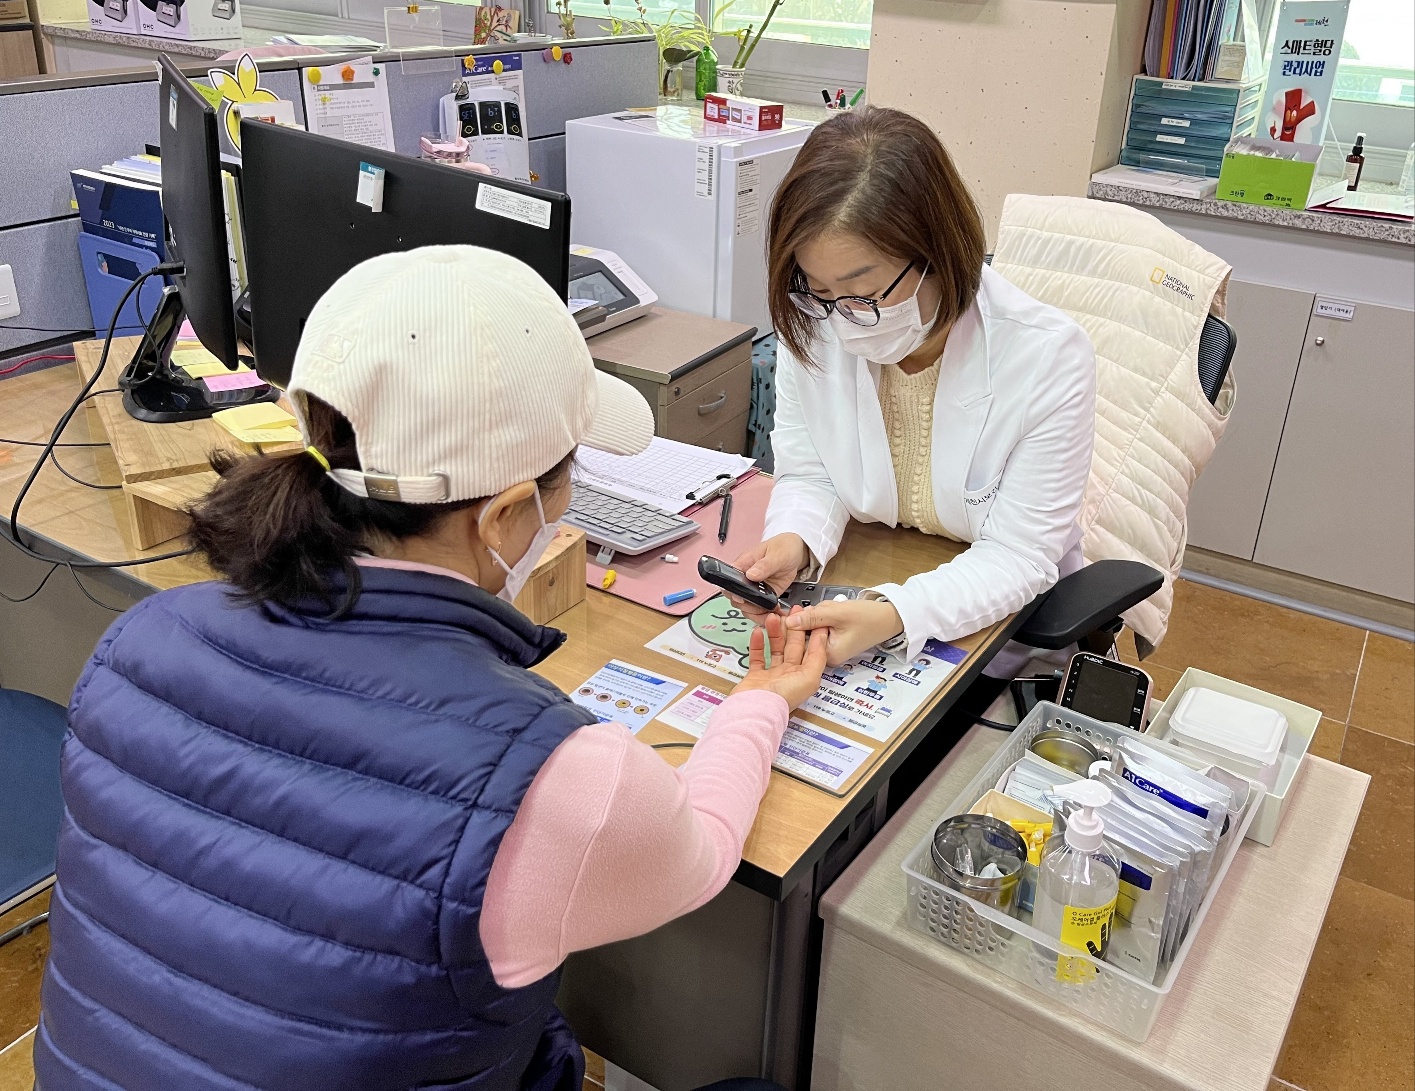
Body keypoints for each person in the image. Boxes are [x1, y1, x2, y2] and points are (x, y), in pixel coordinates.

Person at [35, 247, 827, 1091]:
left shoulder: (141, 638)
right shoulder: (564, 777)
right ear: (509, 515)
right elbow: (700, 854)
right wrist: (759, 698)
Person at [734, 106, 1097, 680]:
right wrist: (794, 540)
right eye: (820, 290)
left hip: (998, 628)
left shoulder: (1047, 357)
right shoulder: (813, 324)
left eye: (865, 292)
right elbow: (811, 474)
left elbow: (1020, 555)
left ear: (938, 255)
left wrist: (893, 613)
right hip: (872, 573)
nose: (844, 320)